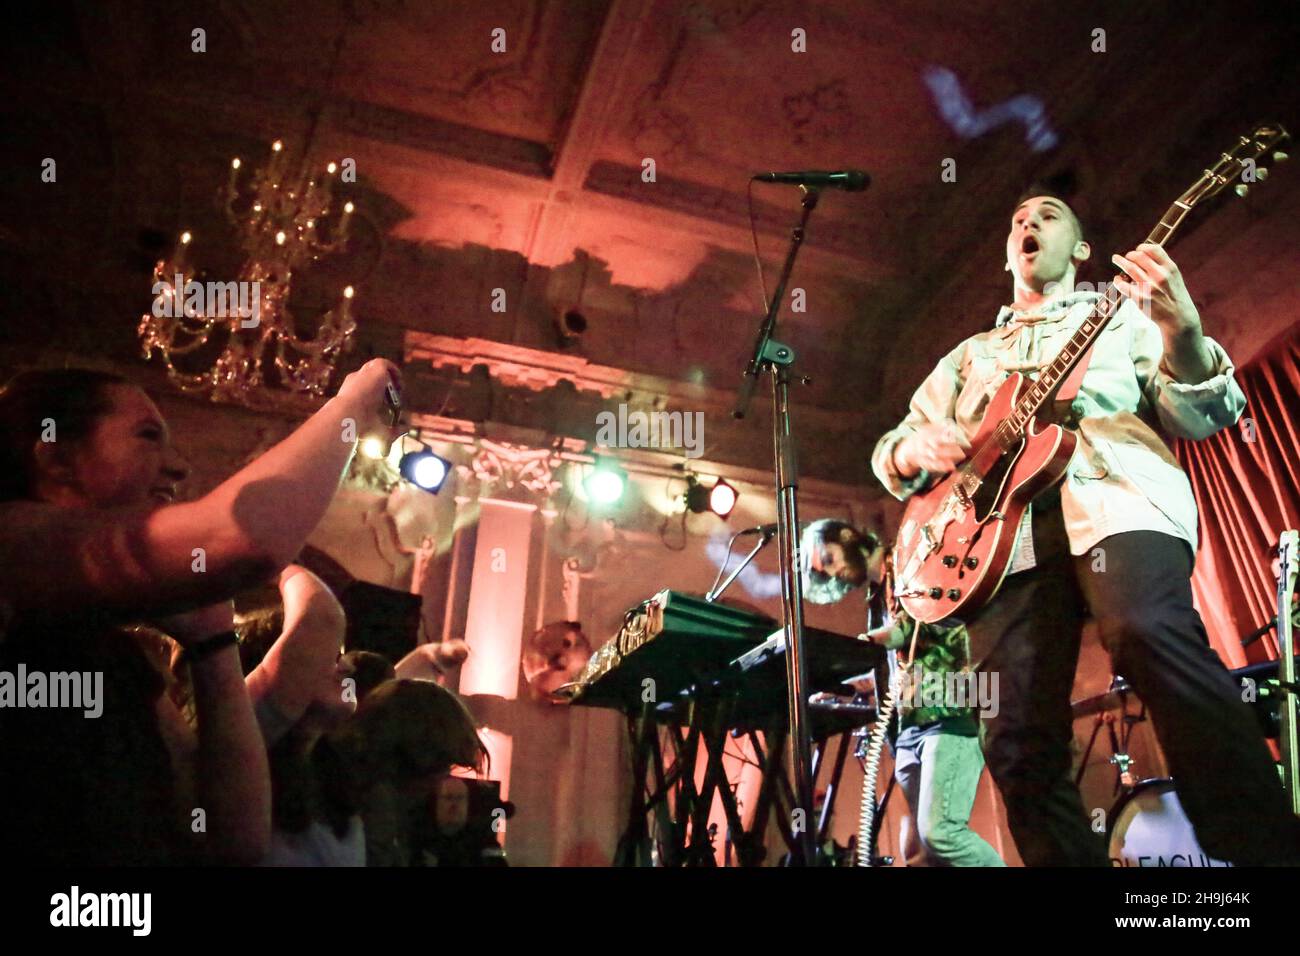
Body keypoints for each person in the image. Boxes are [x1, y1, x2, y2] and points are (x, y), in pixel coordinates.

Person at [871, 190, 1300, 865]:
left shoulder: (1123, 319)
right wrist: (909, 451)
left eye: (1047, 215)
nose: (1026, 224)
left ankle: (1265, 854)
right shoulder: (968, 356)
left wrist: (1183, 332)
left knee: (1147, 632)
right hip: (993, 544)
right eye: (1016, 220)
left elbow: (1205, 414)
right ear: (1010, 255)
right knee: (1014, 738)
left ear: (1081, 249)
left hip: (1115, 499)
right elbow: (896, 445)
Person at [0, 358, 402, 864]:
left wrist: (212, 640)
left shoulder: (120, 656)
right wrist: (355, 402)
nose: (179, 467)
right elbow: (242, 537)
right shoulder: (11, 541)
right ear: (57, 462)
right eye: (149, 436)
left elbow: (230, 839)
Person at [803, 519, 1003, 866]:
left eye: (830, 559)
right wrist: (843, 688)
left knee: (941, 834)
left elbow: (922, 626)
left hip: (949, 711)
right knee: (918, 852)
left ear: (848, 537)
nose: (834, 574)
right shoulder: (875, 597)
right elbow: (896, 669)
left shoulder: (913, 559)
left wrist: (867, 642)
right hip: (909, 726)